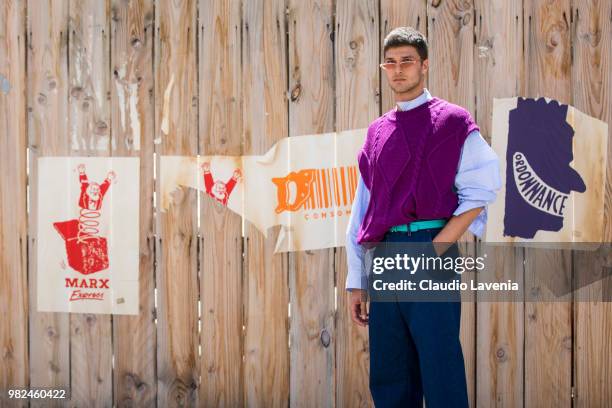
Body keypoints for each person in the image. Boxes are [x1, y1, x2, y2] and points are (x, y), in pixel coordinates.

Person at [345, 27, 501, 407]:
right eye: (391, 63)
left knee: (439, 366)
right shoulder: (377, 132)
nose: (398, 70)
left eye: (407, 61)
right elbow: (363, 209)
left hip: (430, 250)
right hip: (384, 257)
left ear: (424, 65)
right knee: (389, 373)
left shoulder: (452, 121)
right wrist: (355, 280)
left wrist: (436, 248)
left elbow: (481, 192)